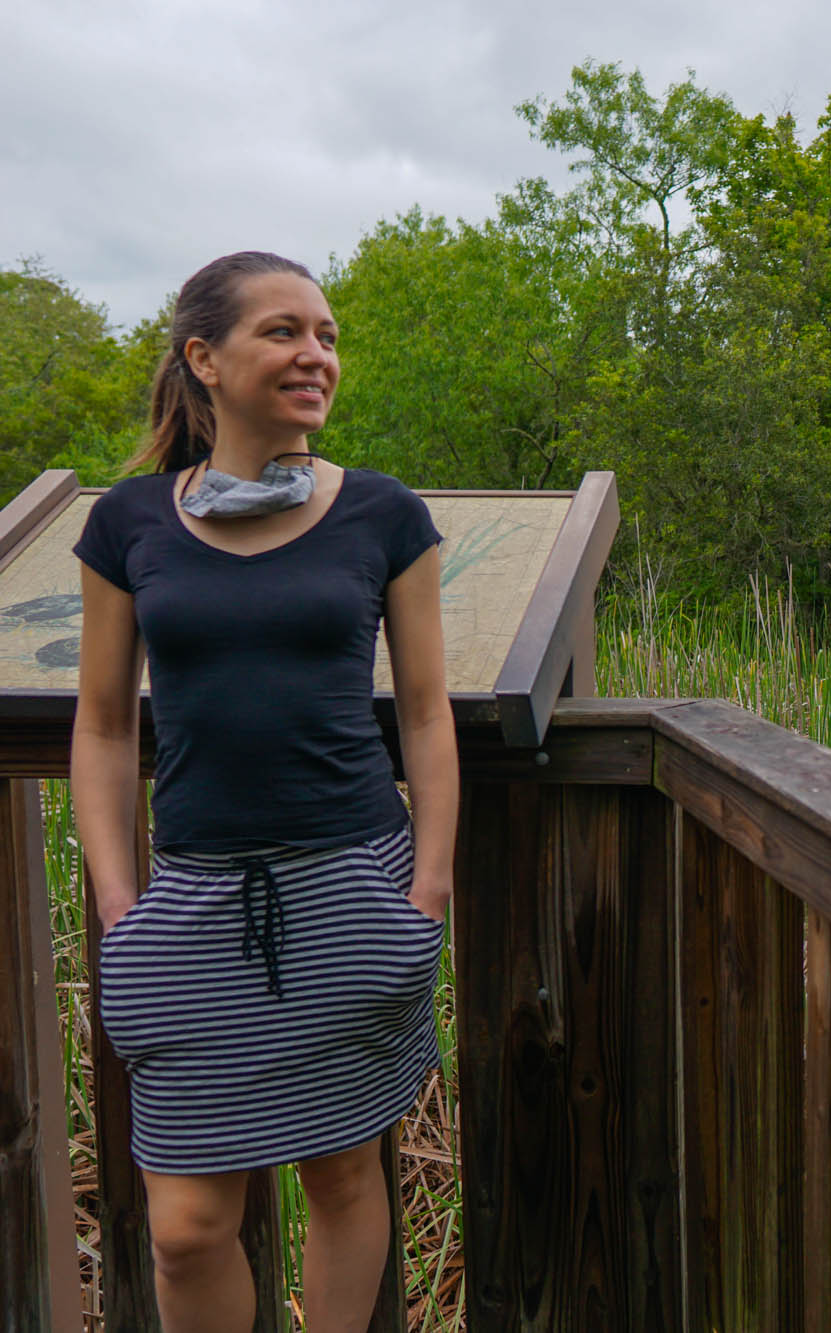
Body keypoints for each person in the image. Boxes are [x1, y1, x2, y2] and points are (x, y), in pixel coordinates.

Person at [69, 251, 458, 1333]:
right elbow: (102, 725)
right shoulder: (129, 524)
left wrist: (424, 890)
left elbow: (425, 714)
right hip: (190, 905)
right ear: (205, 358)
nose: (315, 355)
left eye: (327, 336)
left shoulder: (382, 514)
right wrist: (116, 906)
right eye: (285, 331)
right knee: (187, 1225)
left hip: (351, 888)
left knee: (341, 1175)